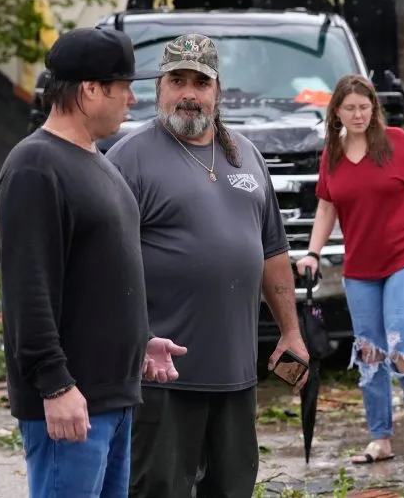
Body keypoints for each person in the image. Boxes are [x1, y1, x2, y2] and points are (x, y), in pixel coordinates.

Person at [104, 33, 310, 498]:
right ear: (160, 87)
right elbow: (101, 268)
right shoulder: (128, 160)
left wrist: (291, 333)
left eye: (201, 81)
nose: (189, 93)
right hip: (162, 379)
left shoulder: (248, 157)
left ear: (218, 91)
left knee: (233, 487)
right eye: (177, 80)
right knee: (160, 489)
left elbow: (273, 253)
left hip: (236, 377)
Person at [0, 27, 189, 498]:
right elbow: (28, 291)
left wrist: (139, 342)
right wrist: (55, 386)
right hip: (71, 404)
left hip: (112, 396)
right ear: (89, 90)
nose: (132, 99)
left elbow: (98, 276)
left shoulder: (98, 163)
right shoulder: (35, 167)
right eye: (123, 88)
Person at [296, 74, 404, 465]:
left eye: (365, 107)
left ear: (374, 109)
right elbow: (327, 207)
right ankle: (380, 438)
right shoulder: (333, 154)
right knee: (370, 351)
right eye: (350, 108)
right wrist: (312, 253)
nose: (359, 114)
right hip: (360, 266)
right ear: (337, 113)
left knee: (400, 343)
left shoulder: (397, 143)